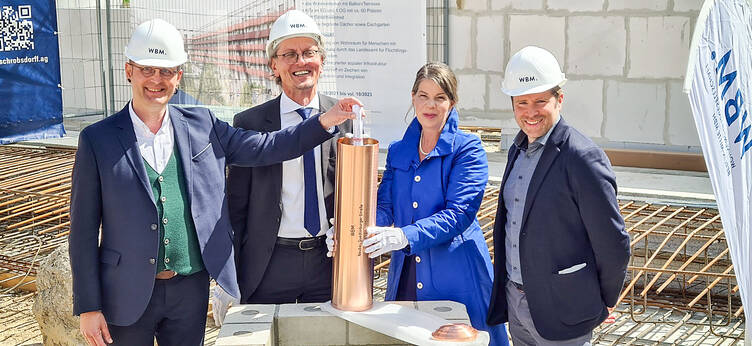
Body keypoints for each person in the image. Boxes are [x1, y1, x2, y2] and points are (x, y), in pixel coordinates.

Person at [68, 18, 360, 346]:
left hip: (188, 291)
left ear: (178, 76)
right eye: (147, 70)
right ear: (128, 71)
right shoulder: (98, 139)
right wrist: (89, 307)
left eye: (166, 71)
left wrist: (325, 121)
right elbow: (82, 230)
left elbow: (267, 147)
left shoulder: (201, 125)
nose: (156, 80)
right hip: (125, 293)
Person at [328, 62, 509, 345]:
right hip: (407, 277)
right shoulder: (400, 151)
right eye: (423, 96)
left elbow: (458, 214)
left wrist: (403, 235)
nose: (430, 105)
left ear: (452, 102)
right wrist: (349, 230)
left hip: (457, 277)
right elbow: (384, 206)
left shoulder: (468, 150)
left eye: (440, 98)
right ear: (413, 98)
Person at [486, 46, 631, 345]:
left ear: (559, 99)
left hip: (564, 308)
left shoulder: (582, 157)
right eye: (522, 102)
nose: (531, 112)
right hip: (516, 302)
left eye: (540, 101)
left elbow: (613, 242)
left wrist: (604, 300)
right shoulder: (518, 149)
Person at [226, 9, 349, 304]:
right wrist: (228, 277)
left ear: (322, 59)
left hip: (328, 262)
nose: (301, 62)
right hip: (269, 264)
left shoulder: (344, 117)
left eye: (309, 52)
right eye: (289, 54)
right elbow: (236, 207)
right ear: (274, 64)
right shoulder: (250, 123)